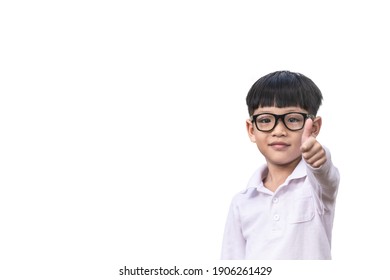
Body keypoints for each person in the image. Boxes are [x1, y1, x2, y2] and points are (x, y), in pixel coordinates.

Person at [221, 70, 340, 260]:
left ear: (314, 127)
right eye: (266, 120)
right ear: (252, 130)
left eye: (292, 119)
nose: (279, 130)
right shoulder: (242, 202)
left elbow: (326, 175)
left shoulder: (315, 186)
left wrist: (320, 157)